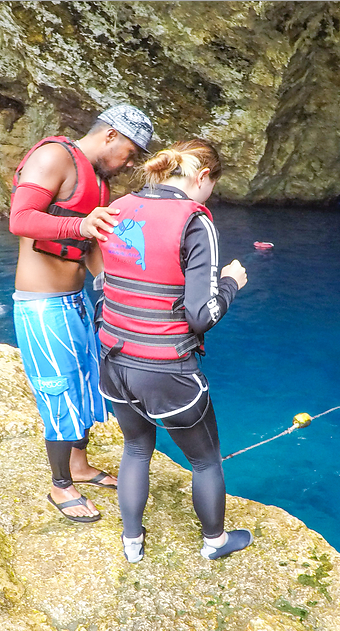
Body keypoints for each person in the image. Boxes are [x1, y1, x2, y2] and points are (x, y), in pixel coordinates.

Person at [95, 139, 252, 561]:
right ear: (202, 177)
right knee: (205, 461)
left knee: (135, 448)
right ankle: (215, 542)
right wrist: (231, 283)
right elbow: (202, 315)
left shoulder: (120, 206)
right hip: (165, 368)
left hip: (113, 357)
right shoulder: (195, 222)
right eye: (211, 186)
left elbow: (103, 281)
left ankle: (132, 542)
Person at [9, 104, 153, 523]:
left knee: (86, 385)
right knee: (60, 393)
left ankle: (78, 465)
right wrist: (80, 226)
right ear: (110, 135)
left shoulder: (99, 185)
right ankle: (60, 486)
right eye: (129, 151)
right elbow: (21, 219)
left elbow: (89, 247)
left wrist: (115, 290)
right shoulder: (54, 156)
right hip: (40, 306)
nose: (130, 162)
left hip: (74, 301)